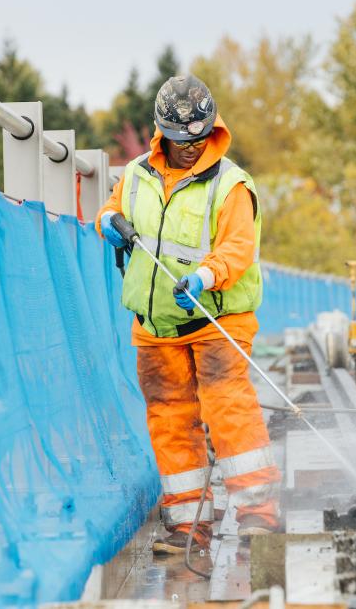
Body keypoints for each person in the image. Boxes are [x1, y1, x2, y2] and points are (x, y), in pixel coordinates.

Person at [95, 75, 278, 554]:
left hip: (216, 320)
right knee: (171, 418)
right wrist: (107, 223)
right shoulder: (136, 174)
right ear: (162, 135)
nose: (191, 149)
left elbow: (238, 248)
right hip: (155, 327)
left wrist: (205, 277)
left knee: (227, 410)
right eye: (181, 141)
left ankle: (258, 514)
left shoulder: (232, 184)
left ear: (210, 129)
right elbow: (110, 209)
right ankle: (187, 524)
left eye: (198, 139)